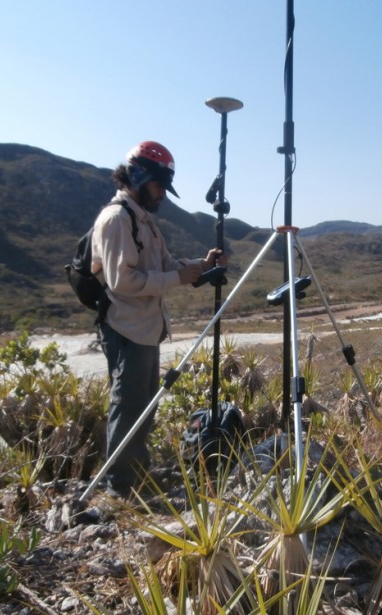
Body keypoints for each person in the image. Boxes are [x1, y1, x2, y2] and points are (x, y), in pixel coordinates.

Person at [91, 141, 227, 497]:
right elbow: (123, 281)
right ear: (139, 177)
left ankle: (135, 476)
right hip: (126, 328)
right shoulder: (118, 219)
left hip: (144, 329)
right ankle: (119, 489)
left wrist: (199, 266)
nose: (162, 194)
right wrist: (178, 278)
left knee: (143, 406)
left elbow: (164, 266)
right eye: (158, 185)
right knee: (129, 405)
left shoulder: (143, 220)